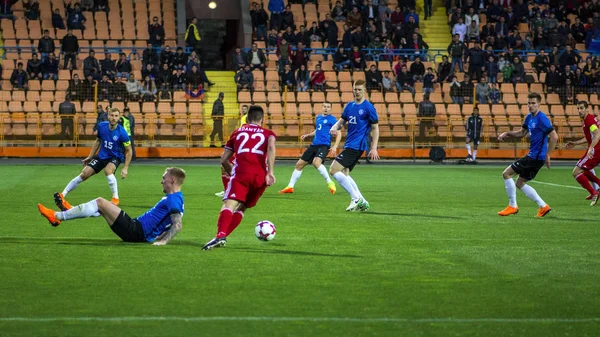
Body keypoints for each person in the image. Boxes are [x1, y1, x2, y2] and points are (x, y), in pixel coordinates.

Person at [38, 167, 185, 245]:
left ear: (172, 180)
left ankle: (58, 216)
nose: (161, 181)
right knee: (101, 207)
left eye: (164, 178)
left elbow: (177, 225)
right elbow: (167, 223)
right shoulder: (176, 198)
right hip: (137, 230)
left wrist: (163, 241)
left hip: (136, 231)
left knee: (100, 202)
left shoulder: (173, 200)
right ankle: (66, 212)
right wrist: (158, 236)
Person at [202, 106, 276, 250]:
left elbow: (224, 160)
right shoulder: (269, 134)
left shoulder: (237, 132)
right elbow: (271, 147)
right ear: (262, 119)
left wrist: (232, 174)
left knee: (229, 205)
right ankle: (221, 238)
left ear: (247, 119)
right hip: (261, 177)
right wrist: (270, 172)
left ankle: (220, 235)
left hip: (242, 173)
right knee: (242, 208)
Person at [55, 108, 132, 209]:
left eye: (116, 116)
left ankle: (115, 198)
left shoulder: (122, 133)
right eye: (112, 115)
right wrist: (90, 156)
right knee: (84, 173)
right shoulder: (102, 126)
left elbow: (129, 150)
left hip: (115, 157)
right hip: (102, 155)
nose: (113, 118)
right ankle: (62, 195)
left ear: (119, 117)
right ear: (108, 116)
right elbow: (98, 141)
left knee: (108, 170)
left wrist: (125, 168)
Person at [497, 92, 557, 218]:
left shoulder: (542, 118)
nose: (530, 105)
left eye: (533, 103)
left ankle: (512, 206)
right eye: (529, 103)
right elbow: (521, 133)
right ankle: (543, 206)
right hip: (535, 158)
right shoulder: (529, 118)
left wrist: (548, 154)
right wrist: (507, 133)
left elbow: (554, 137)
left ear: (539, 104)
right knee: (519, 183)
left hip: (535, 157)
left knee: (506, 173)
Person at [328, 80, 380, 212]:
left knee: (334, 170)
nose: (357, 92)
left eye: (359, 90)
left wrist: (373, 148)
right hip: (349, 144)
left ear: (365, 91)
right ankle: (363, 201)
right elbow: (341, 122)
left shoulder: (368, 108)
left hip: (357, 145)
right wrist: (335, 127)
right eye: (355, 89)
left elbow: (375, 128)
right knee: (345, 173)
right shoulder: (349, 106)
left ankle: (355, 198)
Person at [279, 102, 341, 194]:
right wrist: (308, 135)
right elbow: (318, 130)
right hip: (314, 145)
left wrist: (335, 146)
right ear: (321, 107)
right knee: (299, 164)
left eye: (328, 107)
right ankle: (290, 186)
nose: (326, 108)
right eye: (324, 106)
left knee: (316, 162)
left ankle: (330, 183)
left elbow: (339, 132)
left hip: (324, 145)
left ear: (330, 109)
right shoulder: (318, 118)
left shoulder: (332, 120)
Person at [565, 101, 600, 205]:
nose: (579, 111)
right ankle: (596, 189)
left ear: (586, 109)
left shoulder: (589, 120)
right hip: (596, 149)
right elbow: (589, 137)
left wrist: (591, 148)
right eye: (578, 109)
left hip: (596, 150)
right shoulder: (587, 121)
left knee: (576, 172)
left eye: (581, 108)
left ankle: (594, 192)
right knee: (584, 170)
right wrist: (575, 143)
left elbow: (597, 134)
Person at [215, 105, 249, 198]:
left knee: (229, 167)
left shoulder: (246, 122)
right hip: (238, 149)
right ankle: (228, 190)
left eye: (245, 109)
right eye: (243, 109)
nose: (244, 110)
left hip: (243, 152)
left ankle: (233, 189)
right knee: (225, 167)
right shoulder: (241, 125)